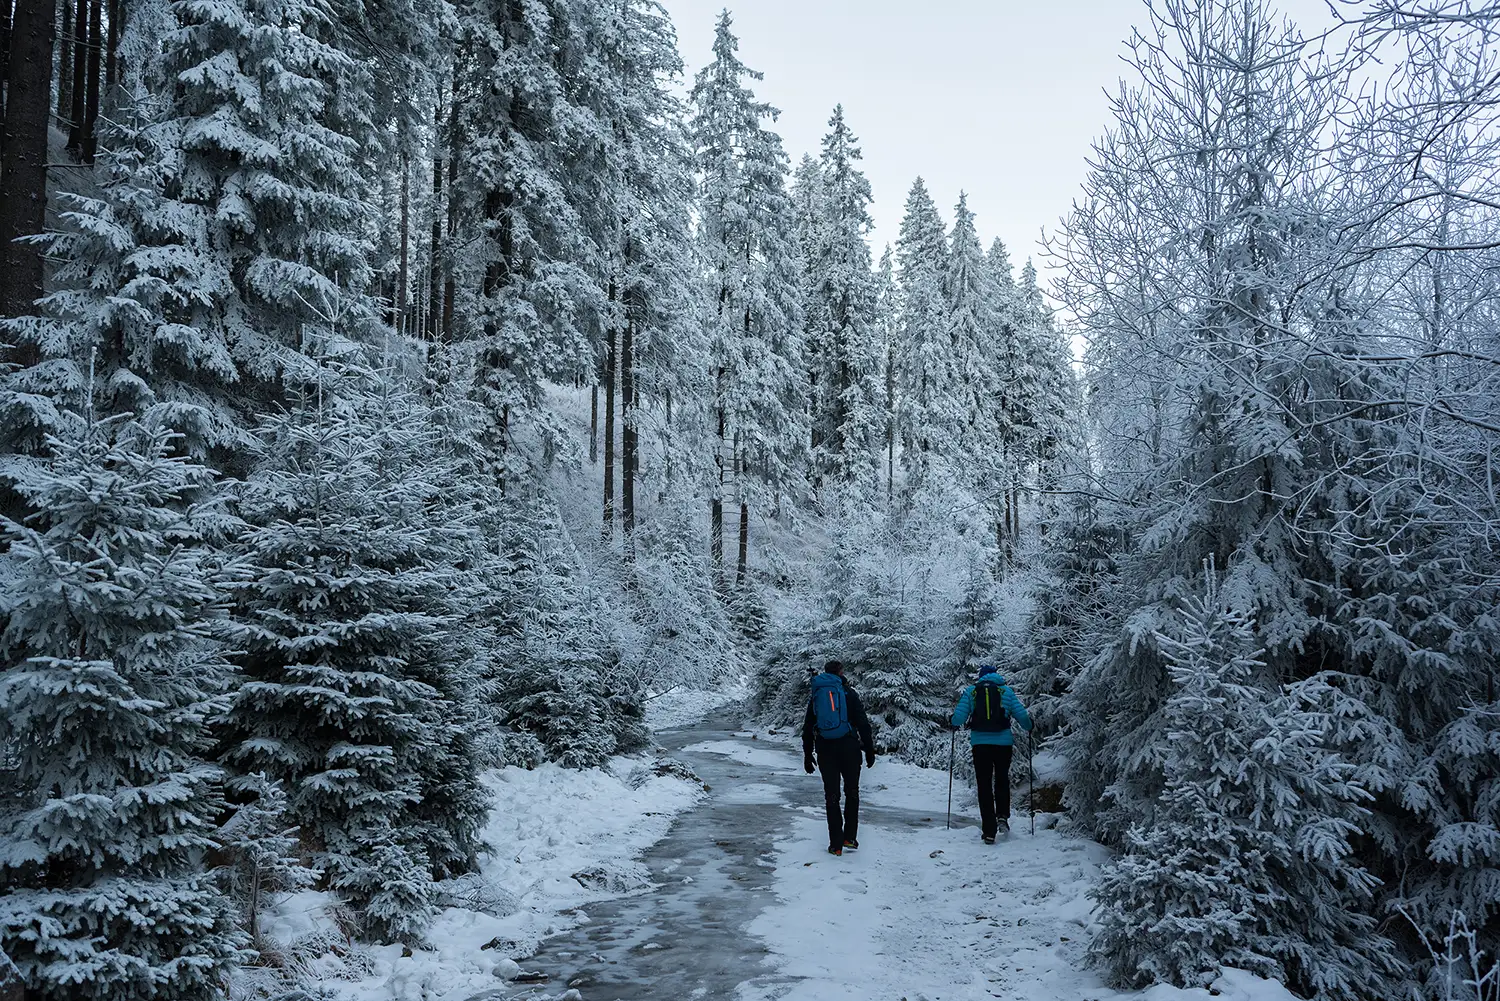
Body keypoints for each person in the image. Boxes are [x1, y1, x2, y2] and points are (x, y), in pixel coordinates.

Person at [951, 665, 1032, 844]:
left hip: (980, 744)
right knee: (1002, 779)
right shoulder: (1006, 692)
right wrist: (1029, 726)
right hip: (1003, 744)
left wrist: (954, 723)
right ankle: (1002, 816)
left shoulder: (972, 692)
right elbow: (1022, 716)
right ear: (996, 676)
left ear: (980, 677)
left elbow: (958, 717)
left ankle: (989, 830)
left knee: (984, 784)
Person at [802, 660, 875, 856]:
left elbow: (808, 727)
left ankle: (835, 845)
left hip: (825, 749)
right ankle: (849, 838)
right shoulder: (849, 694)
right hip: (850, 748)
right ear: (841, 673)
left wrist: (808, 755)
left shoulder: (817, 696)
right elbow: (863, 723)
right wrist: (869, 749)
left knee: (831, 796)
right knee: (852, 792)